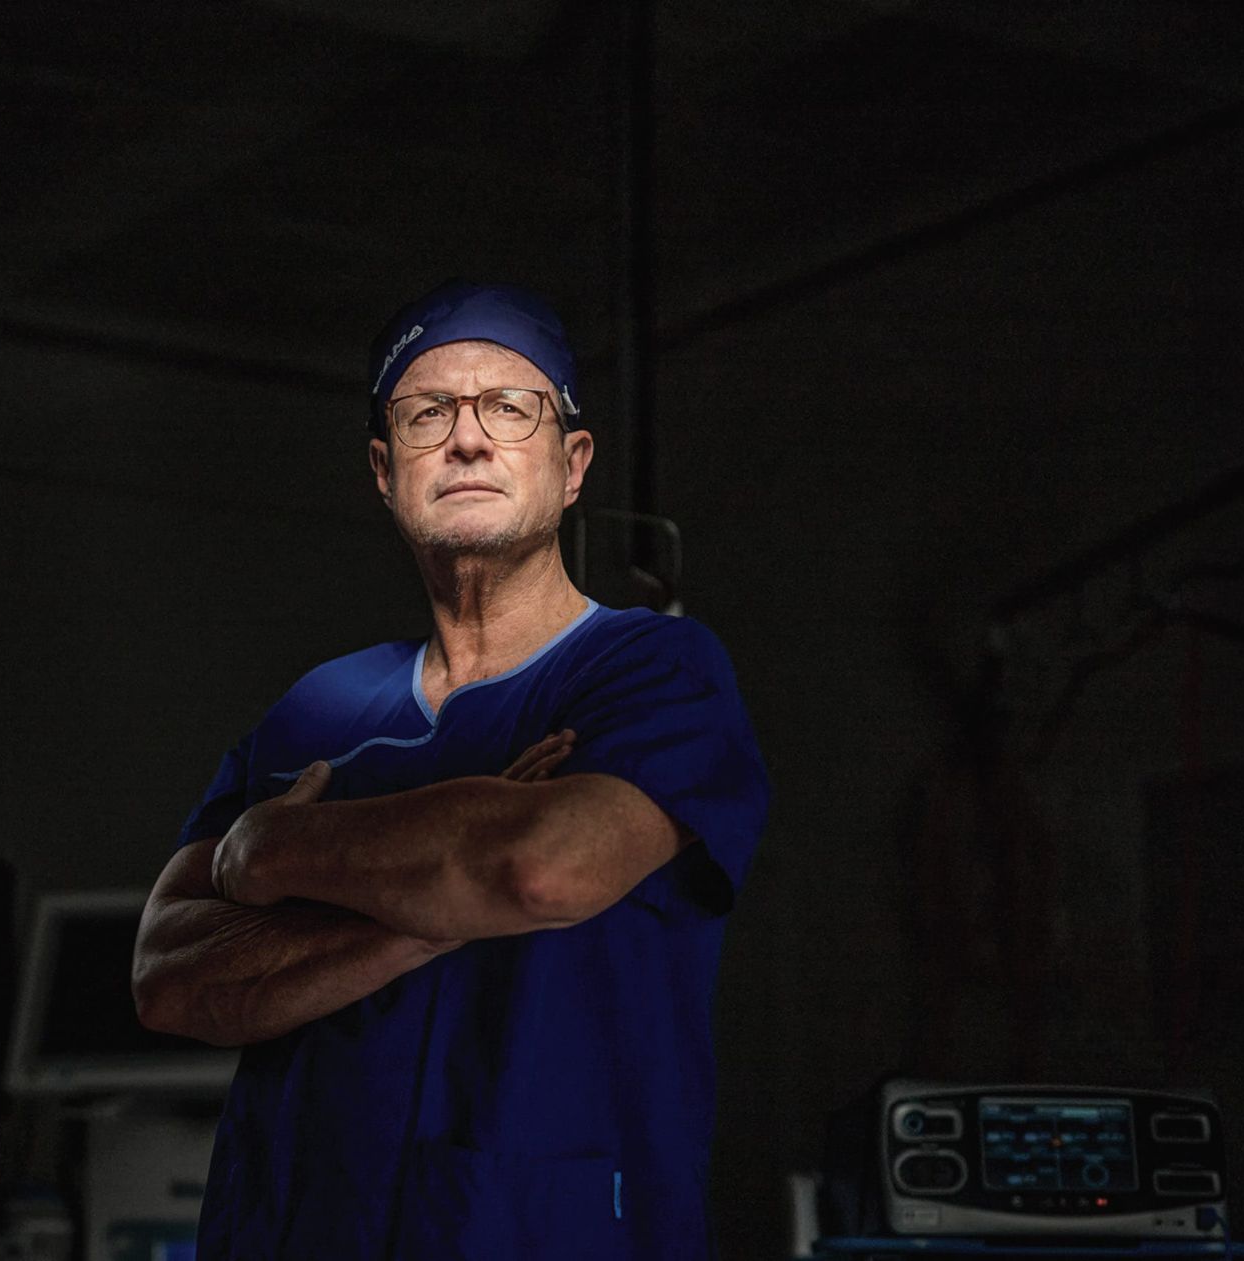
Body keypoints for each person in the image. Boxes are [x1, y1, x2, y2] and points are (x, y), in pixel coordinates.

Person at [132, 279, 771, 1259]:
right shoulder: (317, 709)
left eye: (510, 409)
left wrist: (280, 847)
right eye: (429, 412)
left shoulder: (657, 670)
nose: (467, 438)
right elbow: (171, 973)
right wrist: (434, 917)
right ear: (386, 472)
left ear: (572, 464)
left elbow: (545, 866)